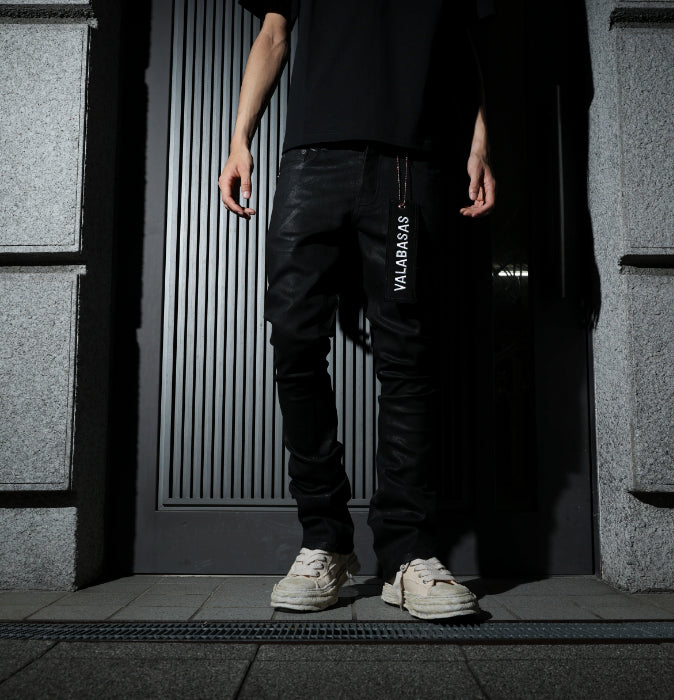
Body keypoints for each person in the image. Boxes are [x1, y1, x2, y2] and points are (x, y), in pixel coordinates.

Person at [219, 0, 496, 620]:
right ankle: (326, 540)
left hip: (409, 166)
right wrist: (240, 138)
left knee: (408, 354)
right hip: (312, 162)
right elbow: (274, 31)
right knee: (294, 339)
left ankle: (407, 555)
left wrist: (479, 143)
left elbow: (462, 47)